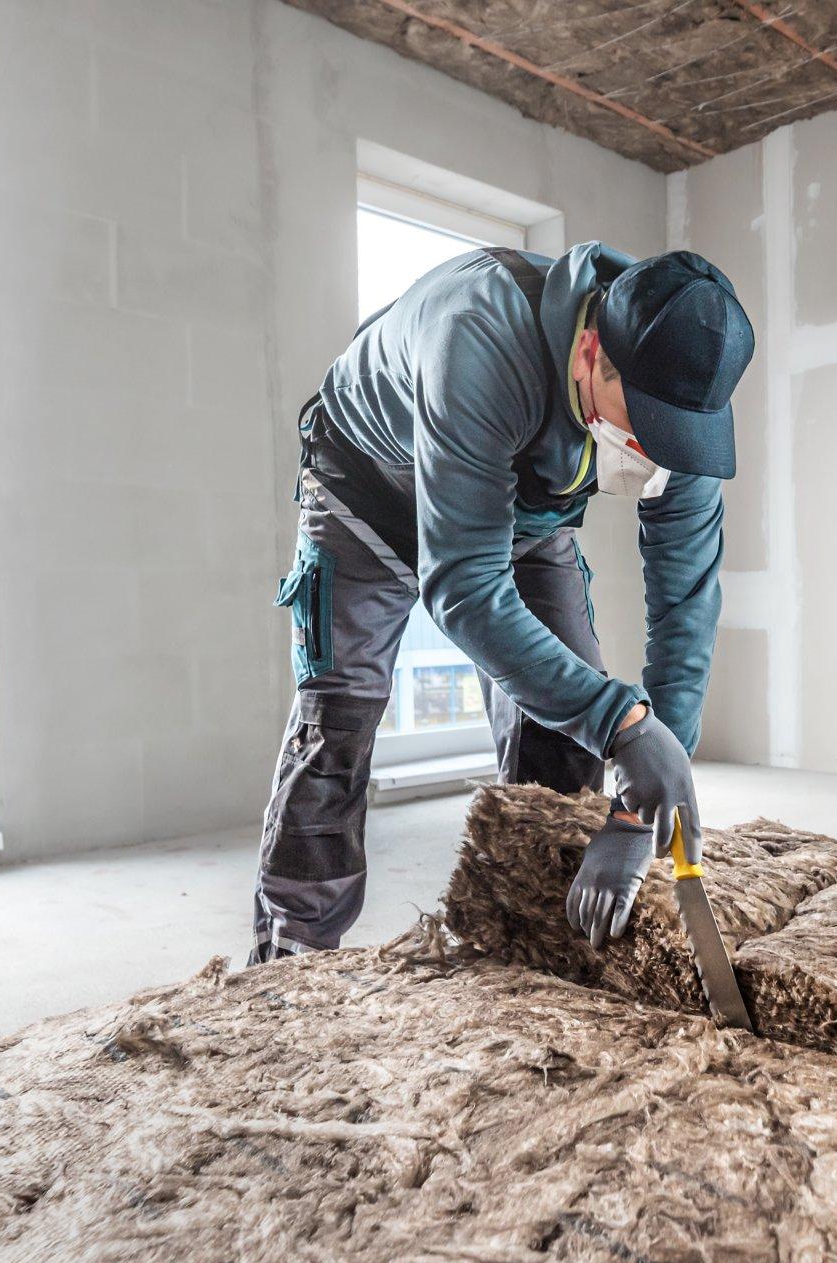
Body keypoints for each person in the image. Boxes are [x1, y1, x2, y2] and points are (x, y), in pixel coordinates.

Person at [249, 240, 755, 964]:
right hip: (366, 491)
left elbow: (685, 608)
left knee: (567, 729)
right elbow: (463, 586)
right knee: (340, 716)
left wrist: (635, 810)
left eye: (677, 437)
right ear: (588, 354)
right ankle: (291, 959)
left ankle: (538, 937)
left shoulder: (682, 409)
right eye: (642, 425)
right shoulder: (477, 334)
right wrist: (624, 723)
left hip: (518, 516)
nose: (658, 453)